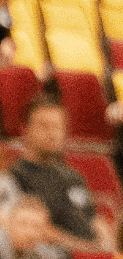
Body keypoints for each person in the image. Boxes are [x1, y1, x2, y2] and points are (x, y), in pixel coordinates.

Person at [8, 97, 109, 249]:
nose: (53, 133)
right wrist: (82, 248)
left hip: (90, 253)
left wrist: (107, 248)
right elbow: (35, 228)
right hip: (56, 255)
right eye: (44, 126)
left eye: (58, 127)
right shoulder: (15, 176)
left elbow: (94, 219)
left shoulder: (72, 176)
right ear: (25, 130)